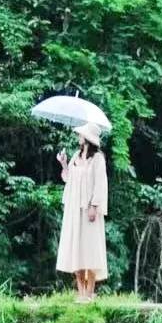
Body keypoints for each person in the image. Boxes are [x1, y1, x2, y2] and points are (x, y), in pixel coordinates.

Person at [56, 121, 108, 301]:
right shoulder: (76, 157)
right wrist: (63, 164)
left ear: (87, 138)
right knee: (76, 248)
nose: (79, 136)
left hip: (89, 210)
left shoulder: (98, 158)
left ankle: (90, 292)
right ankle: (80, 291)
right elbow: (68, 179)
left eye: (81, 134)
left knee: (91, 248)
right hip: (74, 209)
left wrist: (94, 206)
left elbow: (100, 184)